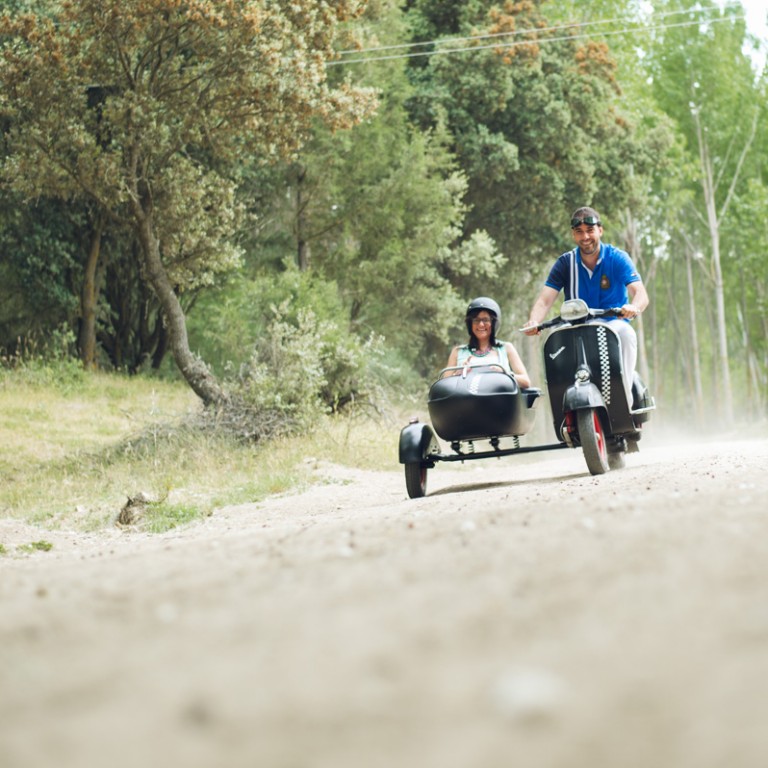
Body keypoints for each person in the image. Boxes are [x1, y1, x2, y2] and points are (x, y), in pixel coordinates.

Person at [523, 206, 649, 404]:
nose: (585, 237)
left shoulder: (617, 258)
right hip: (575, 326)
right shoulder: (565, 263)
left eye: (590, 231)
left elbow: (640, 293)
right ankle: (563, 405)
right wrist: (534, 320)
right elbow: (545, 300)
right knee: (554, 340)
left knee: (626, 334)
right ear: (573, 234)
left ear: (600, 230)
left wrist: (634, 307)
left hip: (611, 323)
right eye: (579, 232)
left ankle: (623, 399)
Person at [447, 297, 532, 388]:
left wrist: (505, 374)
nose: (481, 324)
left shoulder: (506, 348)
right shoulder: (458, 351)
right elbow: (444, 385)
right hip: (466, 400)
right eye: (476, 320)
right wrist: (457, 374)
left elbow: (526, 382)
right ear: (470, 324)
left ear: (494, 323)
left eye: (486, 320)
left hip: (499, 399)